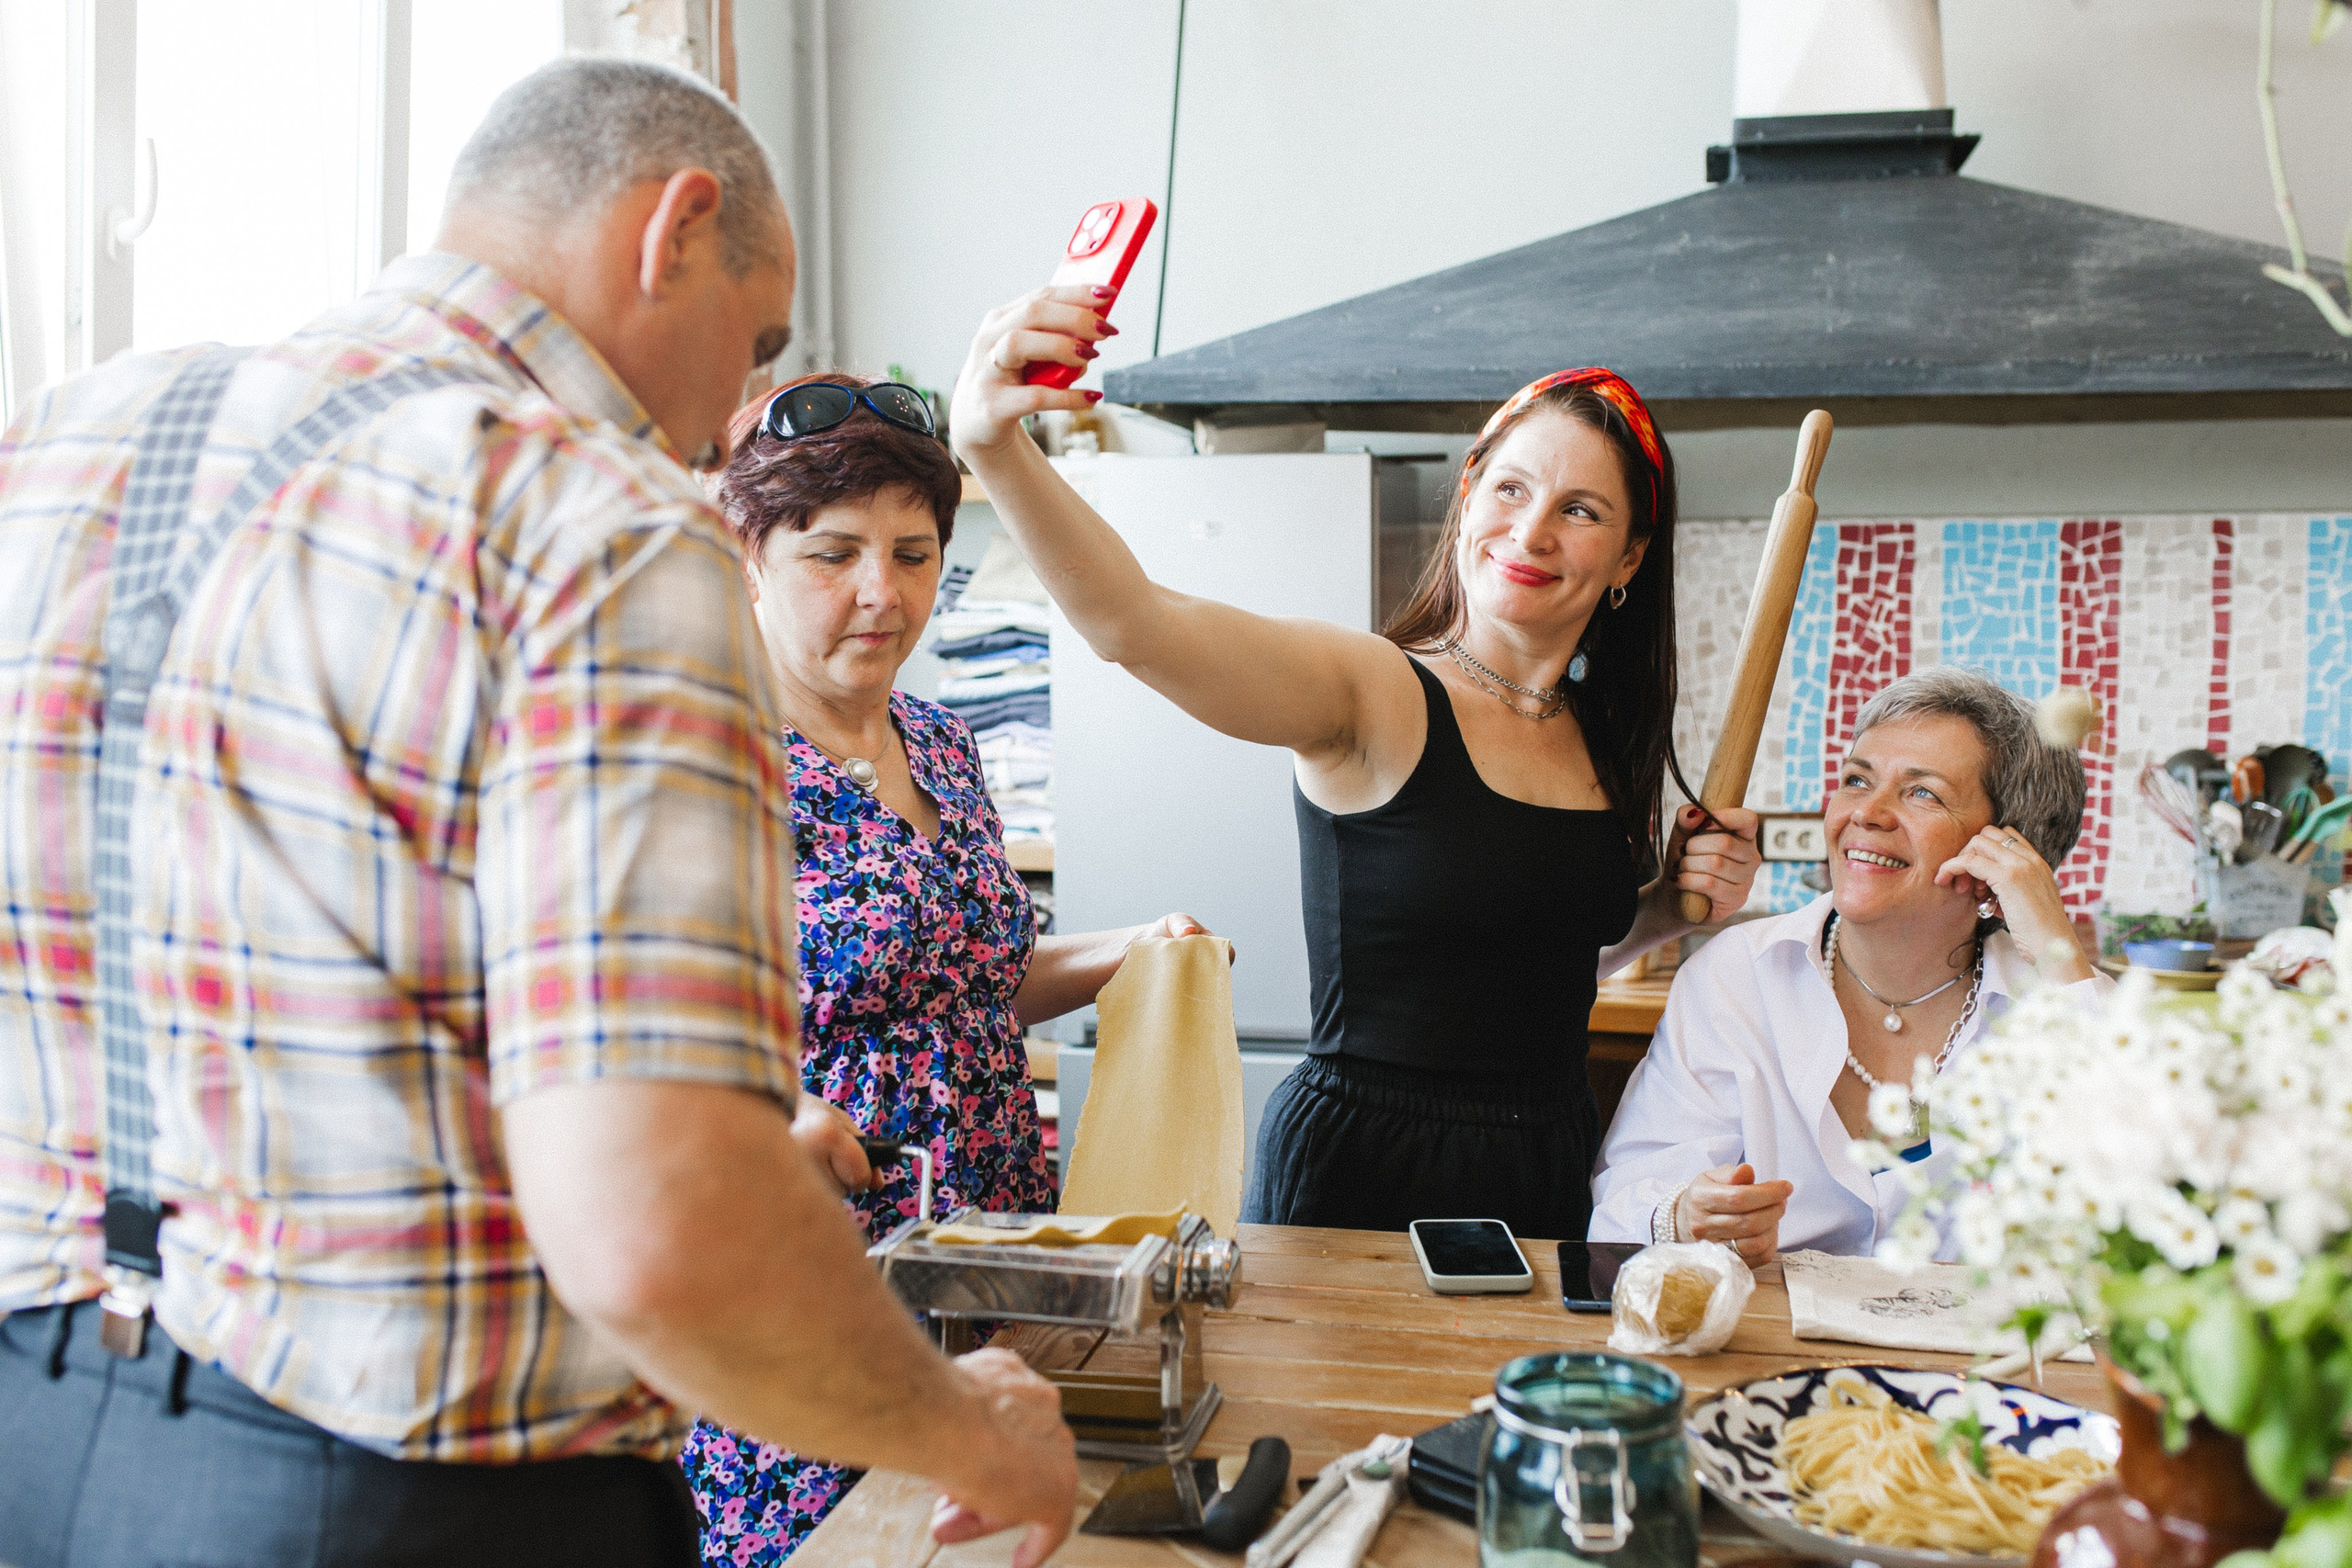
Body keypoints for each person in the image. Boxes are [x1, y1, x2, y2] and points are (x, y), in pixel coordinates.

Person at [0, 59, 1075, 1568]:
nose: (730, 422)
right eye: (754, 341)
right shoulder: (600, 527)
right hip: (409, 1495)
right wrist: (975, 1432)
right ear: (676, 229)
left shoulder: (63, 445)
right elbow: (663, 1225)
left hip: (37, 1431)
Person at [948, 294, 1762, 1245]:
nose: (1531, 531)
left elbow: (1531, 964)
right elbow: (1133, 624)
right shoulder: (1370, 693)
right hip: (1365, 1173)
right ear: (1466, 501)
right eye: (1509, 488)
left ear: (1627, 556)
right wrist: (995, 448)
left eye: (1577, 510)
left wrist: (1661, 906)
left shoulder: (1602, 740)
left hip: (1544, 1164)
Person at [678, 373, 1216, 1561]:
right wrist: (768, 1111)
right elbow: (631, 1037)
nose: (883, 593)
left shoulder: (938, 737)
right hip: (813, 1283)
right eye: (834, 553)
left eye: (914, 552)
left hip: (990, 1252)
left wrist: (1126, 952)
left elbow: (975, 978)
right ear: (748, 554)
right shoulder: (698, 762)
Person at [1589, 667, 2110, 1262]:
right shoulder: (1736, 978)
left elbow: (2143, 1224)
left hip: (1982, 1356)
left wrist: (2056, 953)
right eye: (1857, 780)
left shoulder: (2061, 1006)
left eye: (1922, 792)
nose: (1868, 812)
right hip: (1765, 1343)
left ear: (2006, 846)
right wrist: (1682, 1215)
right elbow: (1619, 1217)